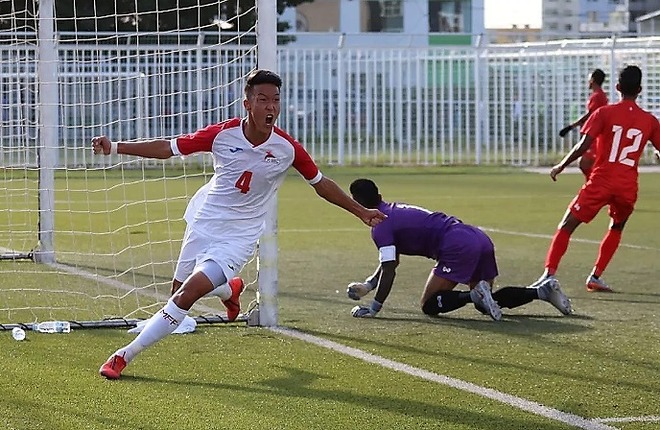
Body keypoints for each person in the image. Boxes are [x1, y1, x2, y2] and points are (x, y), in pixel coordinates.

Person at [92, 69, 387, 380]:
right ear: (248, 103)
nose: (270, 107)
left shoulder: (287, 148)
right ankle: (229, 290)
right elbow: (170, 148)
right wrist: (116, 147)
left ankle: (123, 356)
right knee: (177, 293)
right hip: (204, 223)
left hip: (239, 238)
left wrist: (360, 211)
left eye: (276, 101)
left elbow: (320, 182)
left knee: (185, 297)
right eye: (262, 100)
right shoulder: (222, 134)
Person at [346, 178, 572, 320]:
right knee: (485, 304)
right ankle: (542, 291)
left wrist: (374, 308)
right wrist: (369, 285)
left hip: (455, 244)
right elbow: (390, 263)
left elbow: (390, 269)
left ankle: (474, 294)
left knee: (429, 305)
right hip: (476, 236)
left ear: (357, 204)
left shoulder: (379, 225)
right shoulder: (391, 209)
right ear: (379, 195)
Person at [530, 65, 660, 293]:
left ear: (617, 87)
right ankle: (596, 275)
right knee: (617, 226)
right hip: (628, 186)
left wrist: (561, 165)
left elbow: (584, 145)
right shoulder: (650, 121)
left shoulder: (605, 113)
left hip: (602, 180)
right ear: (639, 89)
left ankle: (548, 275)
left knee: (567, 225)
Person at [558, 68, 608, 179]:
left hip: (595, 135)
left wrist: (571, 127)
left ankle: (594, 185)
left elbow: (590, 115)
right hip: (595, 133)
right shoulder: (599, 95)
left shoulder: (597, 96)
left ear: (593, 80)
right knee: (588, 163)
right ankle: (594, 185)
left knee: (584, 162)